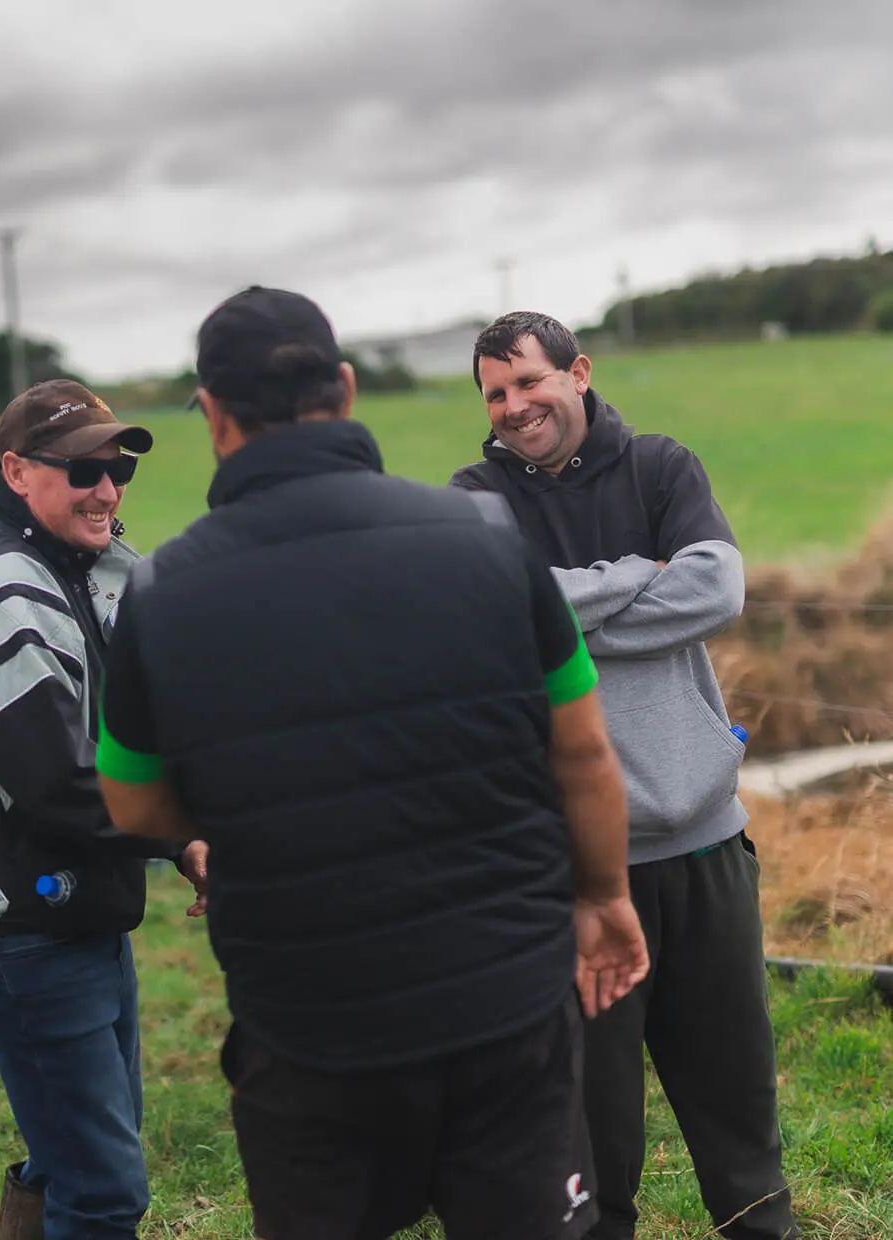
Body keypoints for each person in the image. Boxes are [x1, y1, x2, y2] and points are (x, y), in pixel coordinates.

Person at [96, 287, 649, 1240]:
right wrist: (602, 895)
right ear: (346, 390)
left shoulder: (160, 591)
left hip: (307, 1026)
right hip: (506, 999)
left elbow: (134, 800)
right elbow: (584, 751)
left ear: (213, 414)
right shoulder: (485, 541)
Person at [450, 311, 796, 1240]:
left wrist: (560, 605)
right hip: (568, 865)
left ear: (579, 373)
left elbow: (717, 590)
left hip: (704, 845)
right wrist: (641, 575)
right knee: (594, 1141)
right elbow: (491, 617)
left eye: (528, 382)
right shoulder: (476, 494)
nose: (514, 406)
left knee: (738, 1117)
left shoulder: (660, 465)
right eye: (496, 392)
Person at [0, 380, 205, 1240]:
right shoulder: (3, 589)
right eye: (83, 472)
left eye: (120, 470)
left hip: (68, 903)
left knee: (80, 1145)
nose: (107, 489)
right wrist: (184, 835)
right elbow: (58, 781)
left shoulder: (70, 567)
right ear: (15, 471)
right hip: (13, 919)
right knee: (103, 1187)